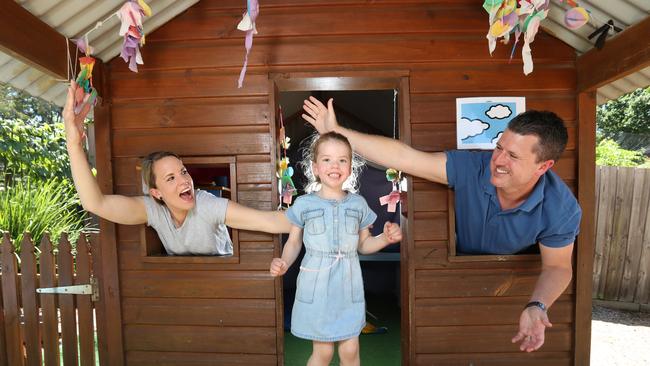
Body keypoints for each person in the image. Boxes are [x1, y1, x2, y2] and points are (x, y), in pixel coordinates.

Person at [302, 97, 581, 353]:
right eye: (499, 147)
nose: (499, 160)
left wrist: (537, 304)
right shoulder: (474, 167)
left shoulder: (561, 208)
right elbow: (406, 158)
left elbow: (557, 266)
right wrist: (337, 132)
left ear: (543, 167)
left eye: (514, 156)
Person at [62, 80, 291, 255]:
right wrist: (73, 144)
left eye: (183, 172)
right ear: (156, 193)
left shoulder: (208, 205)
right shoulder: (153, 211)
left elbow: (269, 221)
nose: (184, 180)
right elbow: (95, 203)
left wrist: (319, 212)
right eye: (170, 178)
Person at [269, 132, 402, 366]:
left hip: (348, 287)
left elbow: (364, 244)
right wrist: (283, 262)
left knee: (351, 351)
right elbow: (293, 242)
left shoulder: (358, 204)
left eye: (342, 160)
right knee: (324, 353)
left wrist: (384, 238)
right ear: (315, 167)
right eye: (327, 159)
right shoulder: (304, 204)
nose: (335, 165)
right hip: (317, 287)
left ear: (351, 167)